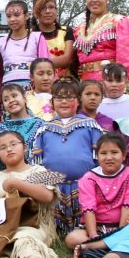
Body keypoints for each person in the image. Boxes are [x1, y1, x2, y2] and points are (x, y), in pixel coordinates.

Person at [31, 79, 103, 235]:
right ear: (52, 102)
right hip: (54, 188)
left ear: (78, 100)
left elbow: (100, 158)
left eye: (69, 97)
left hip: (84, 185)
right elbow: (36, 162)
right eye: (59, 97)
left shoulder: (90, 125)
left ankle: (85, 230)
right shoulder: (44, 129)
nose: (64, 101)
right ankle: (55, 230)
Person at [64, 134, 129, 249]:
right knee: (72, 239)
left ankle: (97, 247)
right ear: (97, 156)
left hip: (124, 227)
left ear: (124, 155)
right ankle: (104, 245)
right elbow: (88, 208)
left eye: (114, 152)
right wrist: (93, 235)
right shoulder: (88, 178)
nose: (109, 157)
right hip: (97, 228)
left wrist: (120, 234)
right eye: (103, 153)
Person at [73, 0, 129, 80]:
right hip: (86, 84)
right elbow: (76, 59)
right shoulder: (79, 29)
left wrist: (118, 80)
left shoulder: (119, 21)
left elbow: (128, 57)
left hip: (110, 80)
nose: (94, 0)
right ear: (86, 1)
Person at [0, 0, 50, 99]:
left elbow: (46, 66)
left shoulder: (37, 37)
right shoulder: (2, 42)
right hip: (8, 90)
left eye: (17, 15)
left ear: (26, 16)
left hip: (33, 89)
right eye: (9, 16)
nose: (12, 19)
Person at [0, 83, 43, 169]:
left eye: (14, 96)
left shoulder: (40, 125)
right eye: (6, 99)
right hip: (8, 177)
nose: (11, 100)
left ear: (24, 98)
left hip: (35, 177)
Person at [31, 0, 75, 78]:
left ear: (56, 11)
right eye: (43, 8)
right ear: (35, 12)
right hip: (38, 83)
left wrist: (38, 65)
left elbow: (67, 59)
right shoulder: (30, 36)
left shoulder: (66, 31)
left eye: (51, 7)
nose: (47, 11)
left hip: (64, 84)